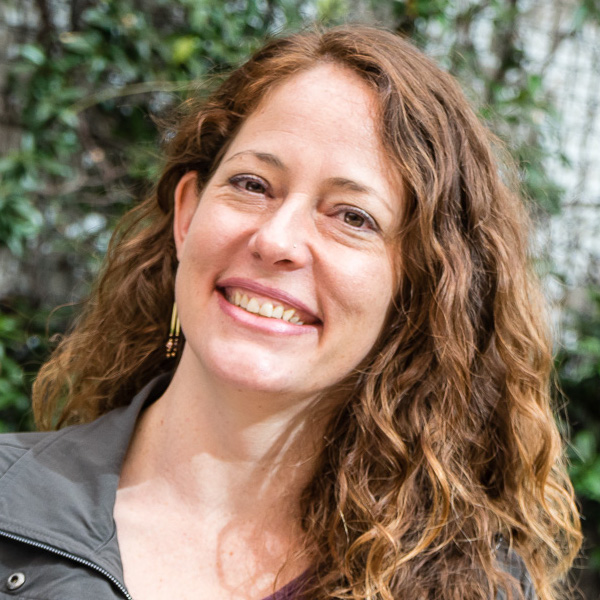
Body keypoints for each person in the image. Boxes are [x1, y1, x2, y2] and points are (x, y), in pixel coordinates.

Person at [0, 24, 581, 600]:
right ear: (186, 217)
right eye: (253, 184)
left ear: (419, 288)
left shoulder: (474, 589)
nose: (276, 239)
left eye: (352, 216)